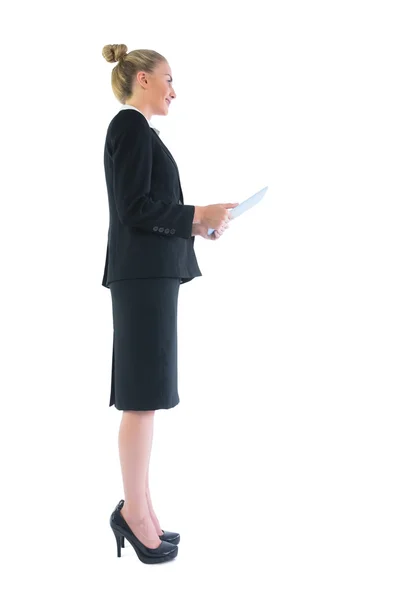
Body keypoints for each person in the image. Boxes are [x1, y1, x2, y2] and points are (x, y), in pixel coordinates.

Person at [102, 43, 238, 564]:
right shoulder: (129, 128)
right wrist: (194, 212)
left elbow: (149, 210)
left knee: (148, 393)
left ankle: (142, 507)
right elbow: (135, 208)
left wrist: (198, 224)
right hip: (141, 277)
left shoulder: (139, 132)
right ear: (141, 79)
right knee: (142, 395)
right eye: (168, 80)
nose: (173, 91)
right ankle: (133, 515)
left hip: (149, 276)